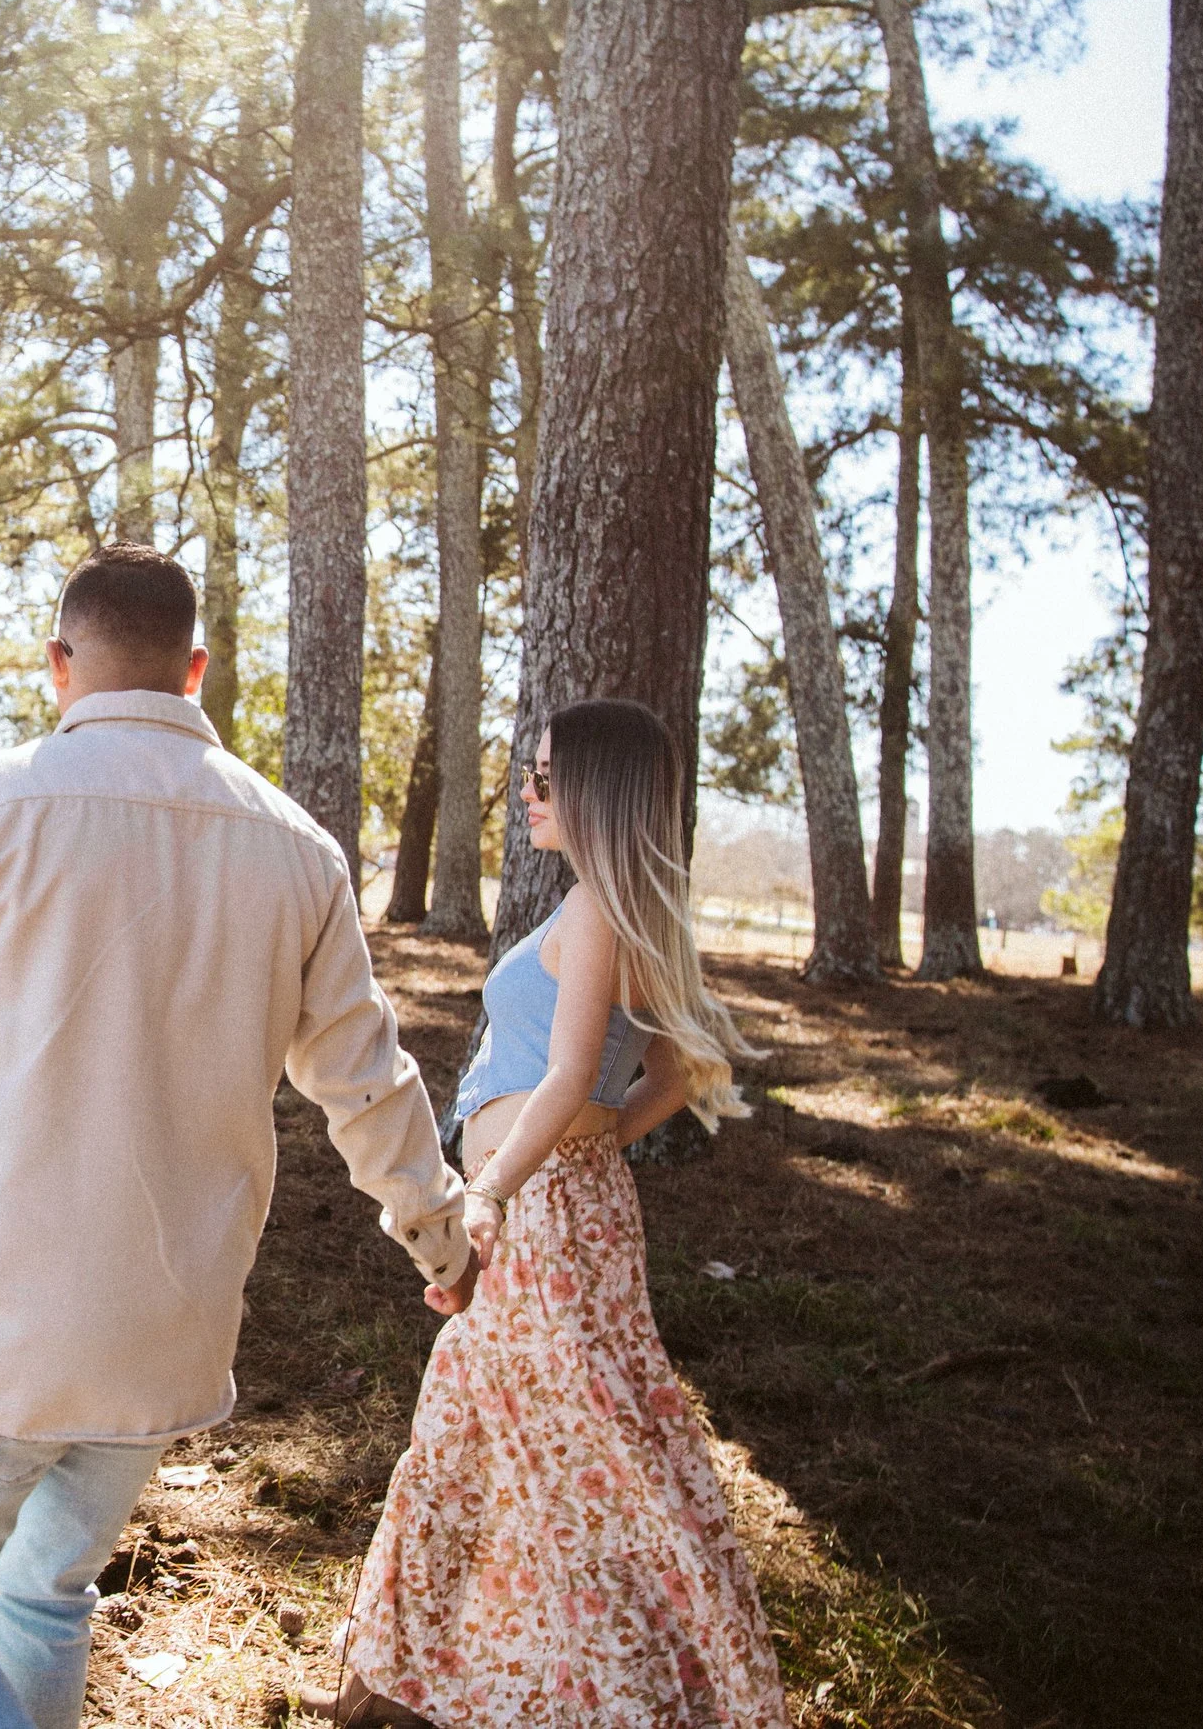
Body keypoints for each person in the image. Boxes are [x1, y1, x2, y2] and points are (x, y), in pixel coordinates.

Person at [0, 542, 480, 1729]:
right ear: (195, 669)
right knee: (45, 1594)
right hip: (164, 1339)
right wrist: (444, 1243)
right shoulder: (297, 849)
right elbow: (369, 1081)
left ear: (57, 664)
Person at [306, 698, 790, 1728]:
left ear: (594, 790)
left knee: (576, 1442)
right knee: (498, 1432)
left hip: (546, 1220)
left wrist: (502, 1181)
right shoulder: (601, 908)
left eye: (542, 776)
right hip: (549, 1203)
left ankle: (613, 1688)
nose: (525, 793)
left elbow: (584, 1072)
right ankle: (455, 1674)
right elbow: (675, 1065)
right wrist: (590, 1141)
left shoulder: (605, 914)